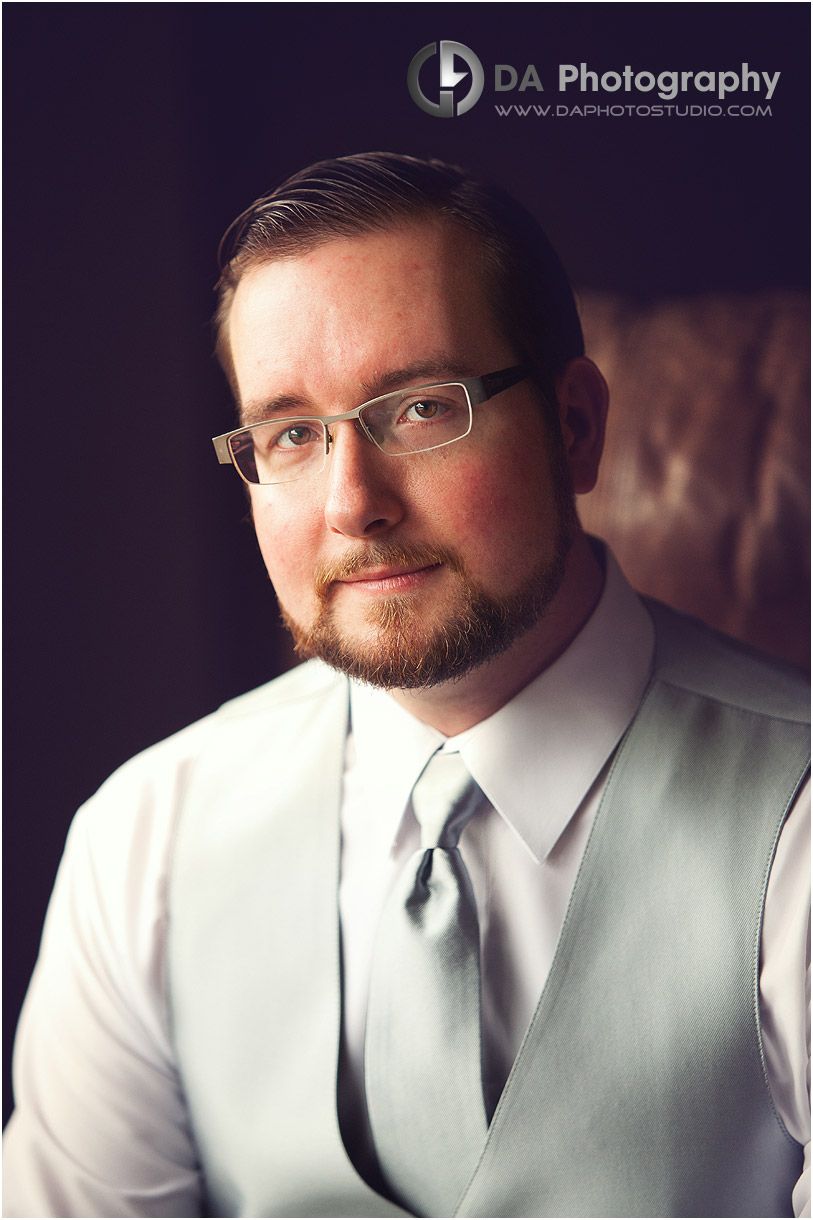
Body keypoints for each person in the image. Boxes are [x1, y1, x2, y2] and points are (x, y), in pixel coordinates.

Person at [4, 152, 809, 1219]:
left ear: (575, 425)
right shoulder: (142, 836)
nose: (351, 503)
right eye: (290, 433)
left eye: (422, 408)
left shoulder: (796, 823)